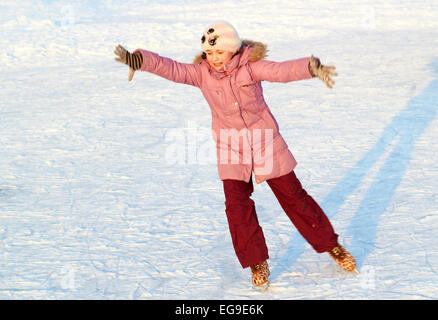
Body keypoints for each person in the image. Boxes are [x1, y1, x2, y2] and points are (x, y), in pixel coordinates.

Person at [114, 21, 357, 289]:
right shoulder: (201, 74)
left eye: (220, 53)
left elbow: (279, 70)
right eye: (209, 53)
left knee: (293, 196)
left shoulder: (250, 67)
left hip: (264, 141)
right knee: (237, 205)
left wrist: (310, 67)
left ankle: (330, 245)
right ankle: (257, 262)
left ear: (233, 49)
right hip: (231, 146)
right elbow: (172, 69)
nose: (214, 59)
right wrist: (140, 60)